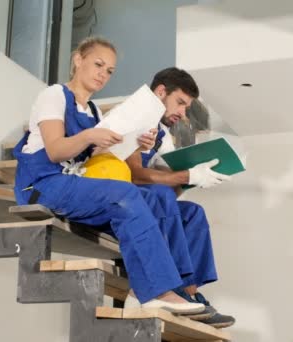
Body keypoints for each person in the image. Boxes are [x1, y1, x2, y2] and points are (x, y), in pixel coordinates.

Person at [12, 37, 204, 314]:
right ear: (78, 60)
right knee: (124, 193)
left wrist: (135, 143)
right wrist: (91, 135)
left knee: (154, 200)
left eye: (110, 70)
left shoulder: (92, 111)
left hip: (73, 181)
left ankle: (151, 290)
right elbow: (55, 151)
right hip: (42, 183)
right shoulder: (54, 95)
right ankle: (156, 289)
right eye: (98, 64)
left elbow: (93, 157)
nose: (103, 74)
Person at [125, 67, 236, 328]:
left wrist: (195, 177)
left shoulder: (162, 135)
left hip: (149, 199)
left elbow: (171, 191)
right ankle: (169, 288)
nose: (182, 113)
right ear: (161, 92)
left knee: (193, 212)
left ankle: (189, 292)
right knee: (161, 194)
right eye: (180, 103)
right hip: (122, 198)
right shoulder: (132, 117)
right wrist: (187, 176)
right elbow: (136, 175)